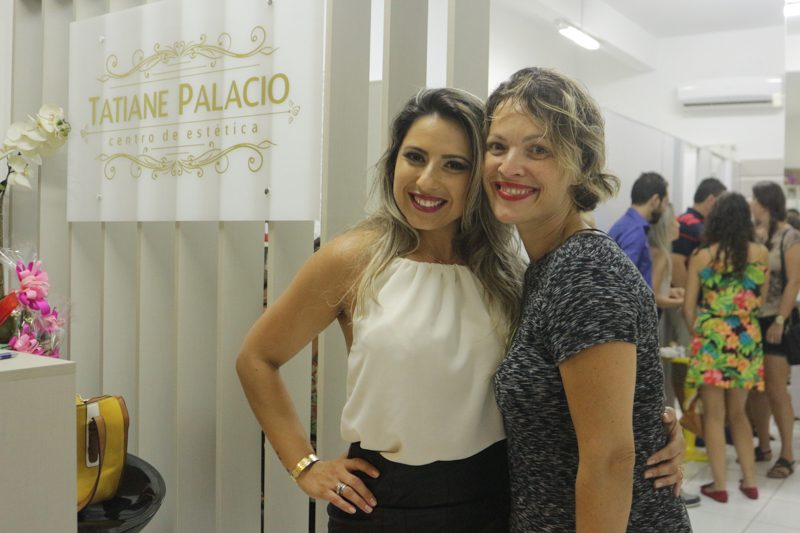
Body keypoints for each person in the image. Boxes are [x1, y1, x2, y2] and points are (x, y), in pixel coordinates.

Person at [237, 88, 685, 532]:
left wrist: (652, 431)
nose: (427, 181)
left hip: (493, 499)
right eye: (415, 157)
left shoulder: (510, 272)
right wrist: (304, 465)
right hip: (382, 502)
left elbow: (575, 390)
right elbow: (257, 358)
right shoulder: (354, 259)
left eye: (454, 165)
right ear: (393, 162)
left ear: (479, 177)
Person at [484, 67, 691, 532]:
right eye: (497, 146)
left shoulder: (584, 270)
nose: (509, 166)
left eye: (538, 149)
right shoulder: (544, 267)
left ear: (580, 164)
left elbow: (610, 458)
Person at [683, 192, 769, 502]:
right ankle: (750, 481)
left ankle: (719, 486)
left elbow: (688, 308)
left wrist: (702, 332)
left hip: (713, 338)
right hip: (746, 338)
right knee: (740, 414)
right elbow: (760, 300)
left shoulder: (702, 256)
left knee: (714, 416)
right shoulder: (760, 253)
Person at [748, 181, 798, 480]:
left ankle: (787, 454)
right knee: (756, 388)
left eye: (754, 199)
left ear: (766, 203)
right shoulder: (755, 234)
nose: (751, 204)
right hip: (752, 319)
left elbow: (794, 281)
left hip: (776, 319)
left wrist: (780, 319)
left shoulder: (790, 236)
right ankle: (764, 446)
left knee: (777, 389)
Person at [609, 171, 670, 287]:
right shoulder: (636, 232)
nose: (665, 209)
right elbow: (624, 282)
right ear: (655, 201)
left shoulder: (624, 224)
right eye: (665, 203)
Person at [671, 177, 727, 287]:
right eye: (721, 204)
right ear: (711, 200)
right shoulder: (688, 224)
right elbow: (676, 263)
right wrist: (688, 294)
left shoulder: (694, 223)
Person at [648, 203, 684, 311]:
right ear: (665, 226)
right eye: (674, 221)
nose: (678, 225)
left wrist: (670, 291)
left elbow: (654, 287)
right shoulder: (661, 255)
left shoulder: (653, 250)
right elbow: (654, 297)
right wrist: (684, 302)